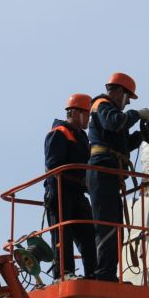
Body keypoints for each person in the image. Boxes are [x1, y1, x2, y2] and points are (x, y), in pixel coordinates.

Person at [86, 73, 149, 282]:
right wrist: (137, 114)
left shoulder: (111, 112)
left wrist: (142, 135)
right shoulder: (102, 105)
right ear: (119, 92)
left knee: (115, 227)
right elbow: (115, 123)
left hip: (109, 173)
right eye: (128, 98)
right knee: (106, 224)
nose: (128, 103)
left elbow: (122, 144)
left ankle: (108, 273)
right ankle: (103, 274)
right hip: (101, 171)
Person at [44, 93, 96, 280]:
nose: (89, 118)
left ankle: (94, 274)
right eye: (87, 114)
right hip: (60, 191)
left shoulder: (81, 136)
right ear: (74, 112)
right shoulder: (59, 132)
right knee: (62, 234)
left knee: (89, 234)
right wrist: (80, 177)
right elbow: (53, 164)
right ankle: (64, 273)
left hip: (77, 193)